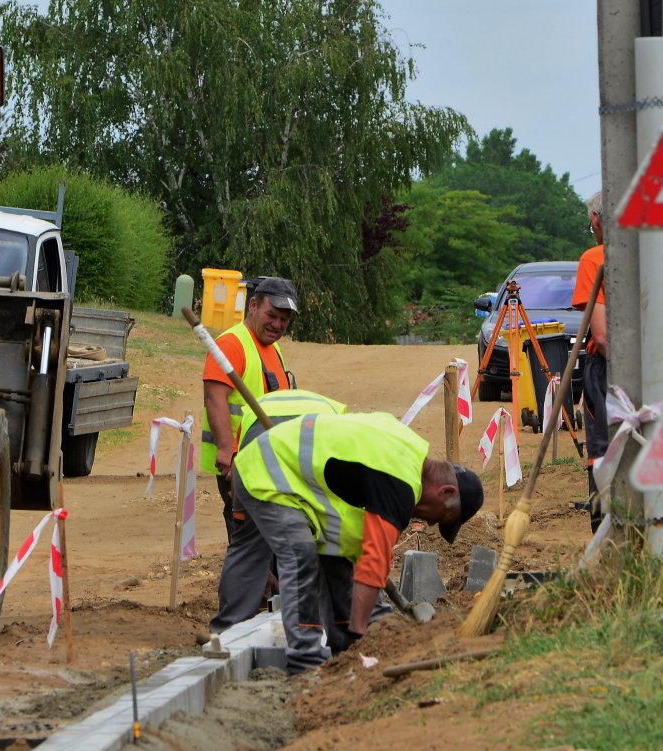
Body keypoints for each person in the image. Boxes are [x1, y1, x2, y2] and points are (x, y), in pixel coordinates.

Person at [233, 411, 483, 674]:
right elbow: (375, 561)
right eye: (442, 516)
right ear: (445, 491)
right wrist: (362, 630)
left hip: (299, 481)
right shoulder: (401, 482)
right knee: (299, 553)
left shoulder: (409, 452)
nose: (432, 524)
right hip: (267, 470)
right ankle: (305, 662)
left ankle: (345, 649)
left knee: (338, 555)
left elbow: (366, 551)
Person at [208, 387, 348, 635]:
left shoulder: (254, 411)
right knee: (331, 536)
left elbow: (240, 465)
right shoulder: (338, 417)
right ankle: (334, 618)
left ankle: (226, 631)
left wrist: (243, 513)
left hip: (256, 445)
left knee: (246, 545)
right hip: (312, 443)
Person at [201, 276, 300, 543]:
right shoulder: (232, 344)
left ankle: (267, 584)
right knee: (247, 541)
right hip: (239, 462)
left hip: (264, 460)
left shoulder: (271, 347)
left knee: (266, 536)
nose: (277, 325)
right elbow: (215, 397)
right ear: (253, 305)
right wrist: (226, 450)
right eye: (272, 315)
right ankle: (248, 585)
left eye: (284, 320)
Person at [569, 192, 609, 528]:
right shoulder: (656, 254)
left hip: (607, 372)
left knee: (603, 452)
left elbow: (602, 335)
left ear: (596, 219)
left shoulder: (595, 259)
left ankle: (605, 536)